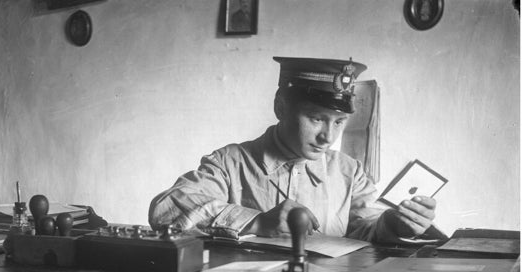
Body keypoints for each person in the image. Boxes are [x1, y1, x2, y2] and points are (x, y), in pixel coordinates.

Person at [148, 57, 437, 244]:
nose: (328, 137)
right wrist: (256, 221)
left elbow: (365, 227)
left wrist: (394, 224)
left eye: (338, 122)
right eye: (316, 118)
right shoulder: (230, 162)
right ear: (280, 108)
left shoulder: (348, 172)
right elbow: (165, 208)